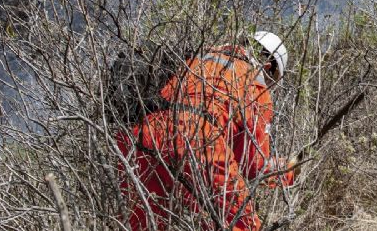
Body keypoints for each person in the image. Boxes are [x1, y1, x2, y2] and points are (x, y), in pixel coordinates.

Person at [116, 31, 298, 231]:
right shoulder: (256, 85)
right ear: (268, 67)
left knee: (141, 224)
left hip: (144, 135)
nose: (269, 87)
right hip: (199, 143)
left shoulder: (198, 57)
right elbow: (254, 166)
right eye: (273, 80)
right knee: (242, 223)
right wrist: (292, 171)